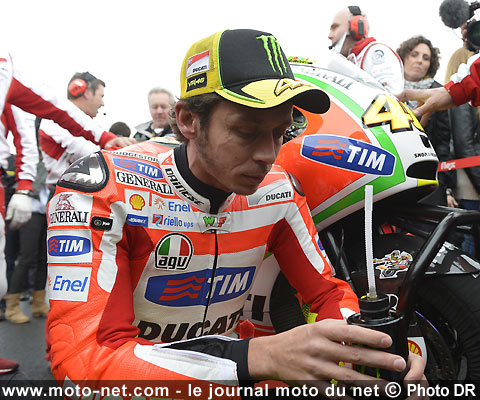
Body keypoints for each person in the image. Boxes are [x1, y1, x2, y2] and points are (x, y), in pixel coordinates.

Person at [46, 28, 425, 394]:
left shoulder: (278, 190)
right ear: (188, 120)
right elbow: (84, 363)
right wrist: (254, 358)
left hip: (234, 377)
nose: (268, 154)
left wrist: (365, 353)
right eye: (246, 131)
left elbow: (326, 294)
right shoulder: (102, 188)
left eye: (280, 133)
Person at [0, 49, 134, 375]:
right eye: (100, 95)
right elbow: (89, 153)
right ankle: (63, 350)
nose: (103, 102)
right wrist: (118, 146)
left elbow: (54, 111)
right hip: (69, 207)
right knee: (67, 281)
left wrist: (108, 138)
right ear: (82, 91)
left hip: (83, 205)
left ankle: (76, 347)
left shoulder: (5, 68)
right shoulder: (54, 125)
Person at [397, 36, 454, 207]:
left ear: (431, 64)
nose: (420, 61)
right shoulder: (385, 86)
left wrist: (445, 187)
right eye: (414, 54)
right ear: (404, 56)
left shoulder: (438, 92)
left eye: (426, 57)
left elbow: (443, 143)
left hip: (426, 179)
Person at [39, 72, 110, 194]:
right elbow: (94, 156)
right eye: (101, 96)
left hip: (76, 193)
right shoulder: (55, 121)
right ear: (87, 93)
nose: (102, 103)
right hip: (65, 195)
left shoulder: (89, 126)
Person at [444, 47, 480, 256]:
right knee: (468, 246)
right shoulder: (462, 102)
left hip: (467, 180)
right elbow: (464, 144)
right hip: (469, 185)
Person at [328, 5, 404, 94]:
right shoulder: (344, 61)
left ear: (356, 26)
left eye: (335, 27)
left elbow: (390, 95)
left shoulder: (375, 52)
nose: (329, 36)